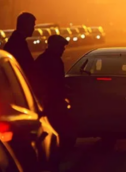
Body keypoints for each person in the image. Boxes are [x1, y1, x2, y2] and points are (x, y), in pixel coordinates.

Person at [34, 35, 76, 167]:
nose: (63, 49)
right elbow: (52, 83)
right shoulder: (52, 61)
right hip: (51, 104)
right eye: (61, 46)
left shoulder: (46, 60)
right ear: (53, 46)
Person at [4, 12, 36, 82]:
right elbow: (27, 66)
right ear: (25, 25)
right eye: (32, 25)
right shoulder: (18, 43)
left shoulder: (16, 40)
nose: (33, 29)